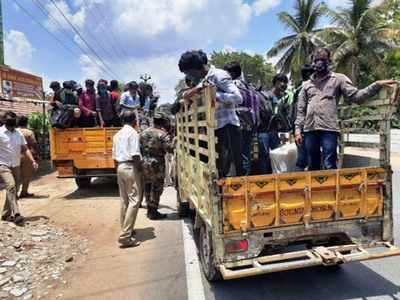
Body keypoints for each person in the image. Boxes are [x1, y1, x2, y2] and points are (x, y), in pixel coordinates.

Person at [295, 48, 397, 170]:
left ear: (329, 61)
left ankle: (332, 188)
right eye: (316, 60)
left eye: (323, 60)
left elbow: (357, 97)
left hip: (329, 129)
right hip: (310, 129)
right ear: (312, 62)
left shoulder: (338, 79)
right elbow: (301, 110)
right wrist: (297, 130)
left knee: (329, 164)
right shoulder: (306, 85)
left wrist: (376, 85)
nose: (319, 63)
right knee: (312, 165)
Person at [178, 50, 244, 178]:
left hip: (228, 127)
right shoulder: (206, 79)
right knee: (220, 168)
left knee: (232, 171)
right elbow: (187, 94)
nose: (188, 76)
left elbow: (238, 98)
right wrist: (195, 90)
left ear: (194, 69)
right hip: (217, 128)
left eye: (188, 72)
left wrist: (214, 95)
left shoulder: (219, 76)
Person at [0, 112, 38, 225]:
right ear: (4, 120)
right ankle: (16, 213)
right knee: (11, 186)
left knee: (14, 189)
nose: (11, 121)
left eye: (13, 119)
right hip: (3, 164)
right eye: (9, 119)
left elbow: (25, 148)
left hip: (15, 165)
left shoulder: (18, 133)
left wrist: (33, 160)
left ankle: (5, 214)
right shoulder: (0, 133)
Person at [224, 61, 260, 176]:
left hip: (235, 125)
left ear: (231, 73)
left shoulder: (232, 86)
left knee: (235, 154)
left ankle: (240, 179)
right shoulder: (249, 87)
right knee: (245, 153)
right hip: (249, 124)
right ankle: (245, 179)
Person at [112, 110, 142, 247]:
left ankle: (125, 229)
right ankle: (125, 235)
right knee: (134, 200)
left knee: (124, 200)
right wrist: (140, 170)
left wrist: (118, 170)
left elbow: (114, 157)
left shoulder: (117, 135)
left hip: (120, 167)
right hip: (130, 167)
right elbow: (135, 154)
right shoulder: (133, 133)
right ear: (134, 120)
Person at [140, 111, 173, 220]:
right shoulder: (162, 134)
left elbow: (139, 148)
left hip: (144, 162)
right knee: (157, 187)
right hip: (157, 164)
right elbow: (169, 149)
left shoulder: (143, 133)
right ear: (162, 122)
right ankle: (153, 212)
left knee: (148, 185)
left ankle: (150, 210)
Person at [257, 74, 289, 174]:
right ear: (275, 83)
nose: (283, 84)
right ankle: (264, 177)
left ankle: (277, 175)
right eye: (281, 82)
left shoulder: (285, 97)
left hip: (276, 131)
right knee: (264, 155)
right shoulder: (265, 96)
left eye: (285, 82)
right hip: (264, 130)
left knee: (278, 154)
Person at [293, 64, 314, 171]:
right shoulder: (308, 88)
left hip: (300, 127)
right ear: (309, 74)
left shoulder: (297, 90)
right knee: (309, 157)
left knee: (302, 156)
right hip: (308, 127)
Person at [18, 116, 40, 198]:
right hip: (27, 155)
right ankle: (24, 192)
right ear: (27, 123)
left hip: (15, 155)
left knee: (16, 175)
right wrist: (37, 155)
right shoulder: (29, 132)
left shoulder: (15, 131)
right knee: (26, 175)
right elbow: (34, 144)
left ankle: (14, 193)